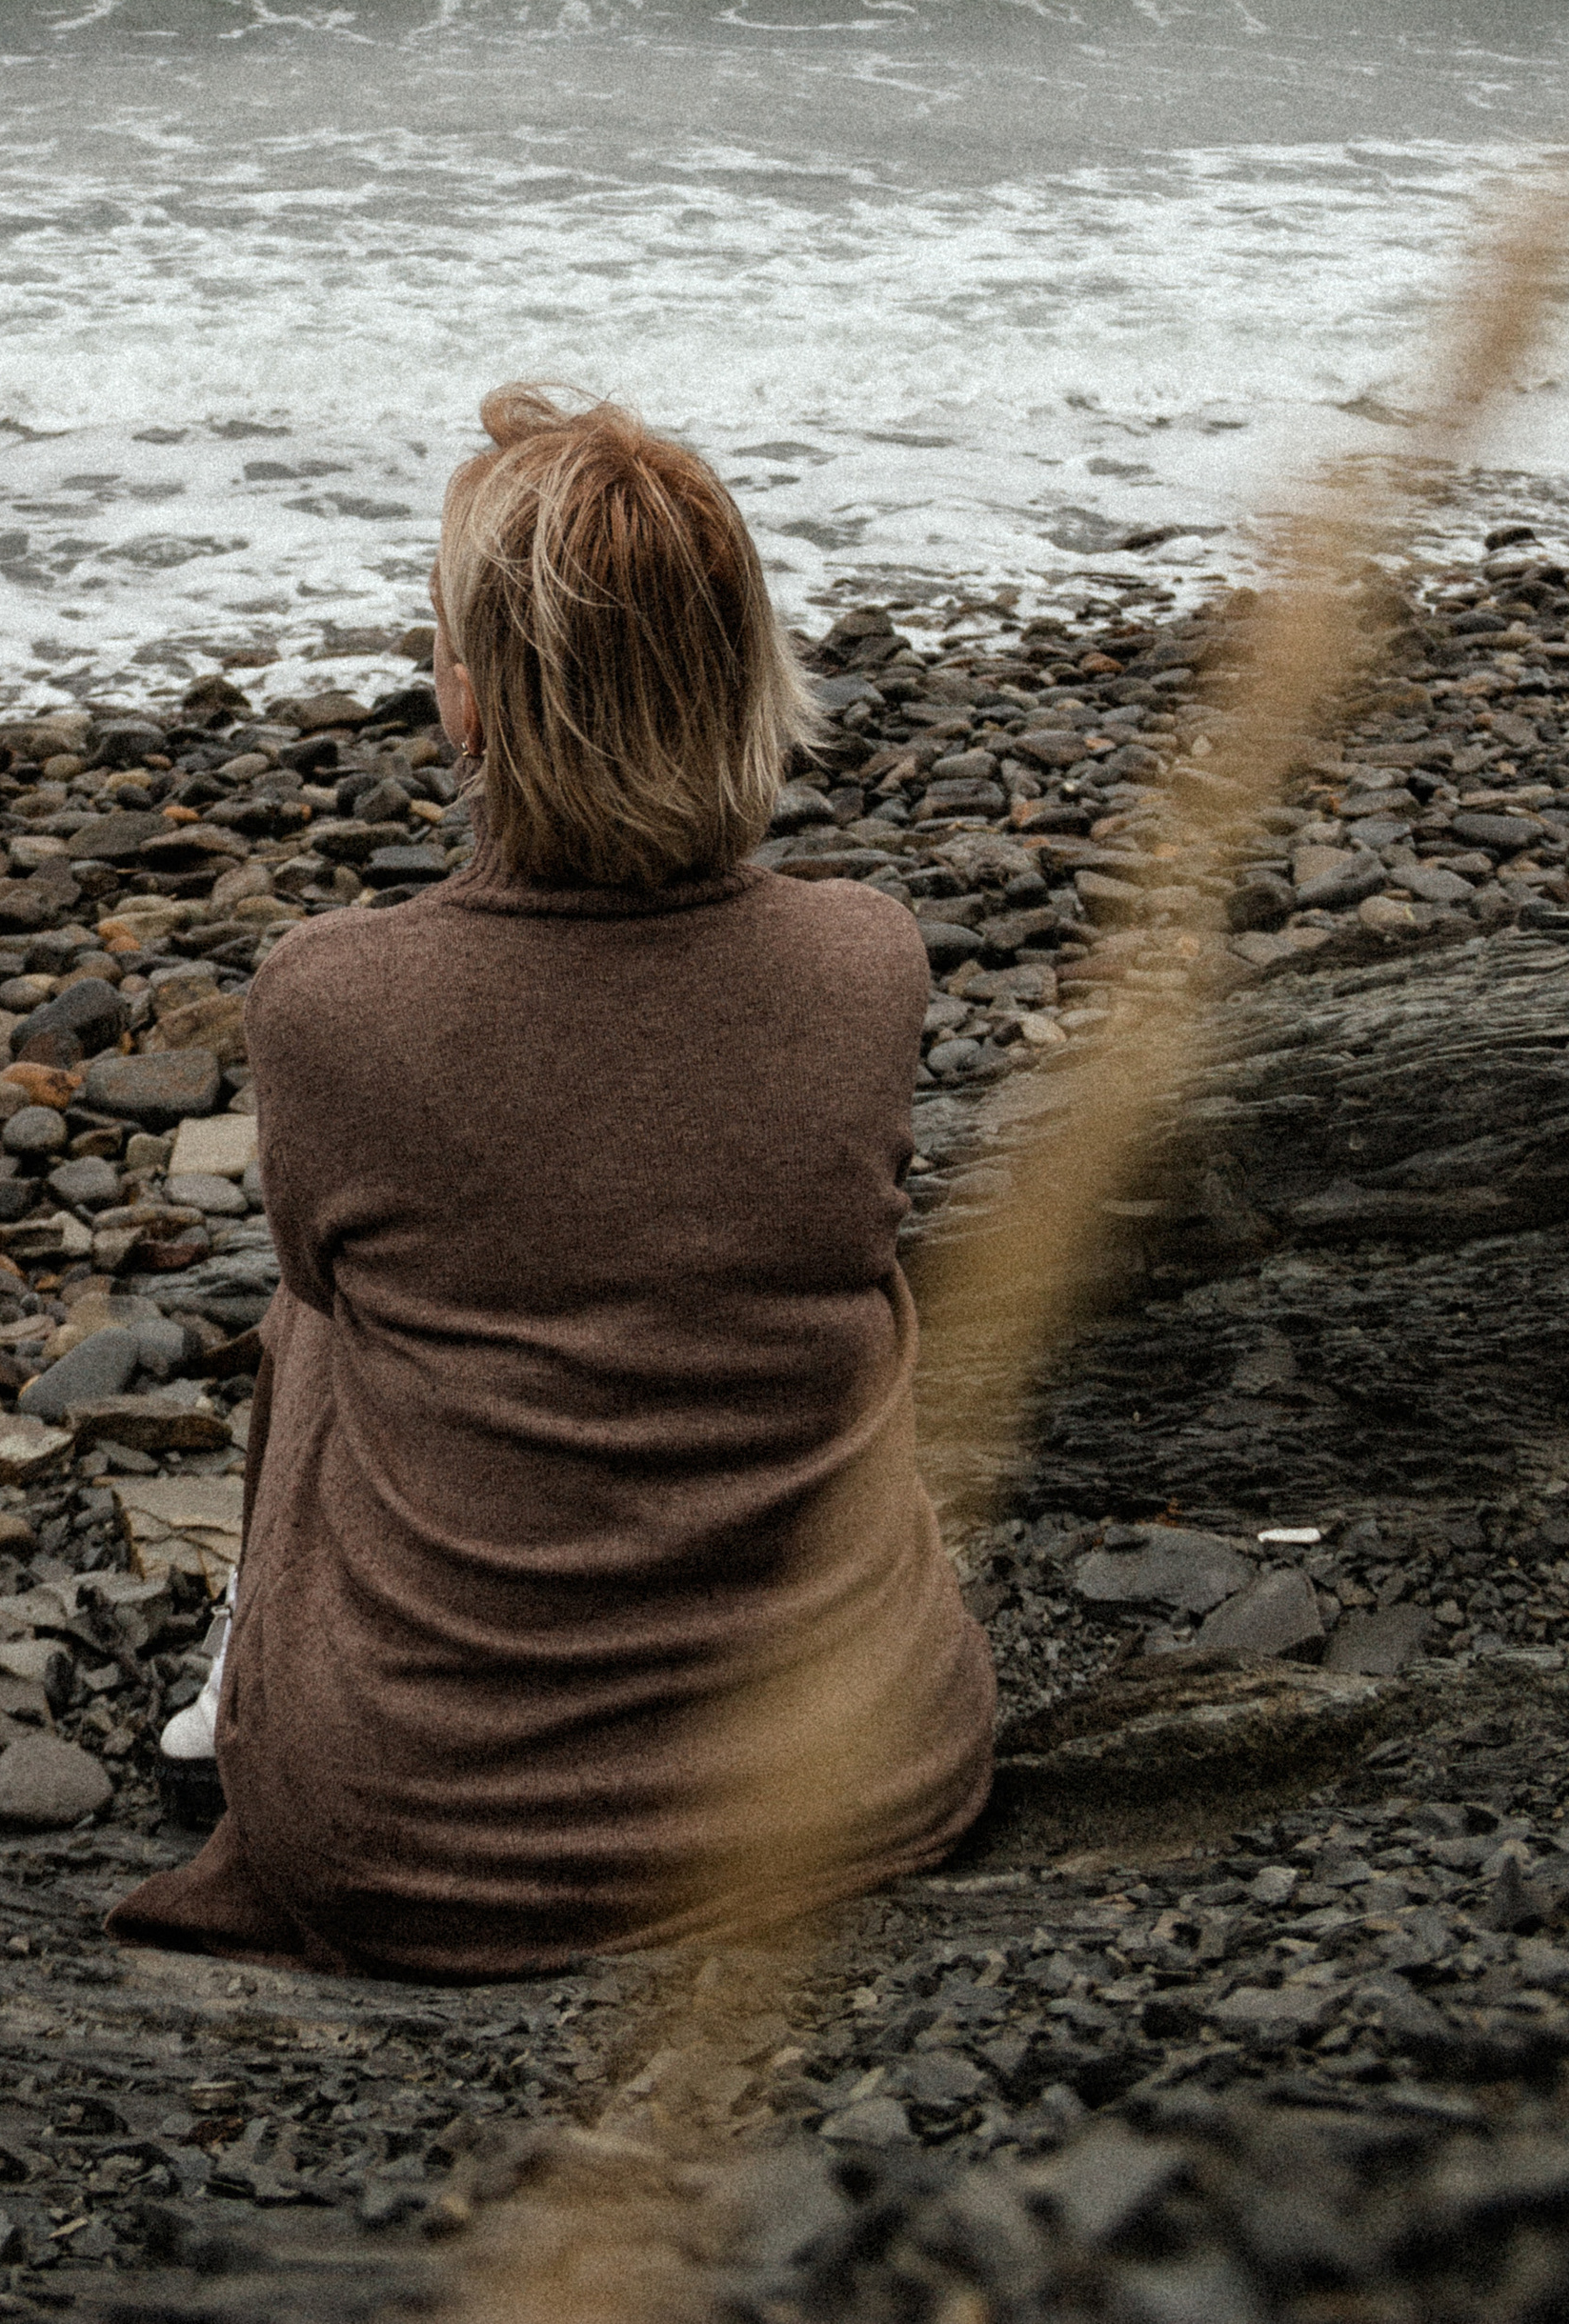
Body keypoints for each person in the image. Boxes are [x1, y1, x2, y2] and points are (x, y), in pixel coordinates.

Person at [106, 385, 995, 1976]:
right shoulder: (870, 957)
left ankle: (243, 1668)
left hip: (423, 1842)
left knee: (327, 1315)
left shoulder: (332, 995)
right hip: (864, 1786)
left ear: (468, 704)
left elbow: (323, 1289)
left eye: (446, 641)